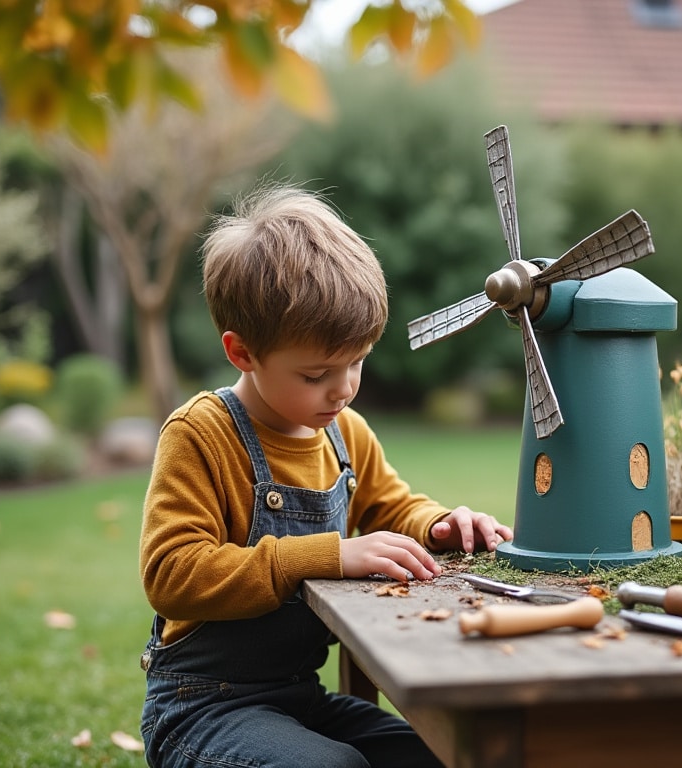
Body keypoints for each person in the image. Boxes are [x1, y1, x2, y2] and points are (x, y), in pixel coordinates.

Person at [137, 184, 513, 768]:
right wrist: (327, 555)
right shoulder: (201, 434)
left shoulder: (344, 431)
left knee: (443, 754)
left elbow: (391, 509)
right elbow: (172, 574)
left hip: (298, 698)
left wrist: (438, 525)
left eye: (358, 361)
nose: (343, 389)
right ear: (242, 353)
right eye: (316, 374)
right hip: (201, 707)